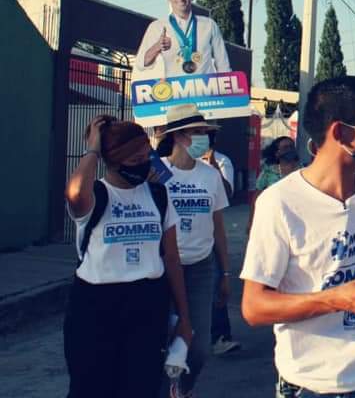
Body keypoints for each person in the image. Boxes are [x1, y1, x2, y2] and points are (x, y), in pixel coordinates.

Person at [241, 76, 355, 398]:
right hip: (314, 385)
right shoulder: (279, 203)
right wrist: (334, 300)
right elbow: (254, 307)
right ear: (340, 132)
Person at [63, 115, 192, 398]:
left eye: (146, 156)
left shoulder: (158, 195)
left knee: (141, 387)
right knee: (90, 388)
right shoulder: (96, 195)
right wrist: (93, 149)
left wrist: (184, 317)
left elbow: (171, 258)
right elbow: (73, 193)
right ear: (113, 161)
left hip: (147, 303)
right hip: (95, 306)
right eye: (135, 160)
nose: (144, 164)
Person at [158, 104, 231, 398]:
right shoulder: (157, 170)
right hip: (162, 268)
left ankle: (183, 389)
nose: (203, 137)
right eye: (197, 132)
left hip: (201, 268)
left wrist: (225, 272)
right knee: (163, 341)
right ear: (178, 136)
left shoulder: (210, 176)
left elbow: (219, 228)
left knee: (198, 347)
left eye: (205, 132)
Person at [134, 0, 230, 80]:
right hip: (175, 93)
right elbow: (141, 63)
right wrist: (157, 46)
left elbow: (223, 65)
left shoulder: (209, 25)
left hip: (205, 93)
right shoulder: (157, 27)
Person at [202, 130, 240, 356]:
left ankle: (220, 336)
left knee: (215, 286)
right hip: (174, 240)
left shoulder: (222, 161)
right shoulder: (169, 163)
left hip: (208, 238)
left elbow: (227, 195)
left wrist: (214, 167)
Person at [249, 136, 297, 231]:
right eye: (285, 148)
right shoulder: (268, 173)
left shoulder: (304, 170)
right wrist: (251, 222)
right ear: (277, 153)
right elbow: (257, 199)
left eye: (291, 146)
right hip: (273, 221)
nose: (289, 150)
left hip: (297, 220)